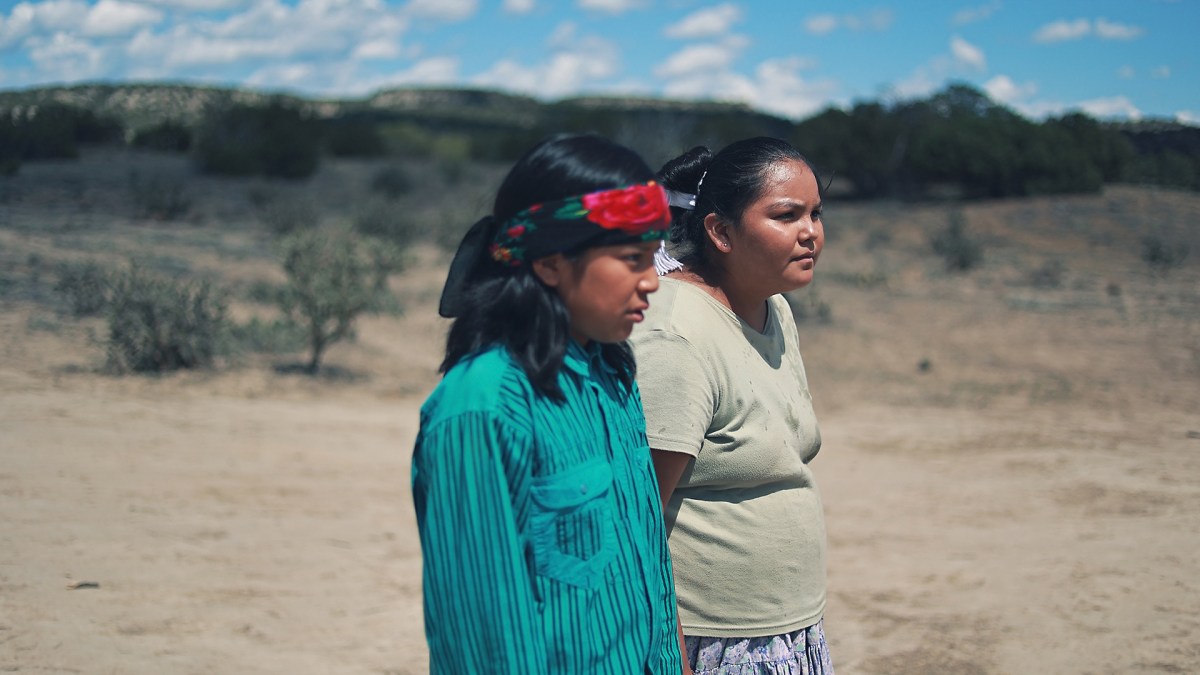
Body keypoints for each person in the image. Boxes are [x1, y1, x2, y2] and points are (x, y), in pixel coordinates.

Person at [411, 133, 684, 674]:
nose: (653, 279)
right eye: (631, 258)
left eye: (652, 255)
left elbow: (647, 560)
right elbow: (484, 640)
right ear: (551, 263)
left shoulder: (614, 370)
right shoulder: (482, 406)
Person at [630, 137, 834, 675]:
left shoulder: (775, 311)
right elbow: (635, 518)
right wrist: (671, 660)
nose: (811, 231)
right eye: (787, 215)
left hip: (786, 632)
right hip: (710, 643)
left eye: (815, 213)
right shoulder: (676, 333)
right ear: (719, 231)